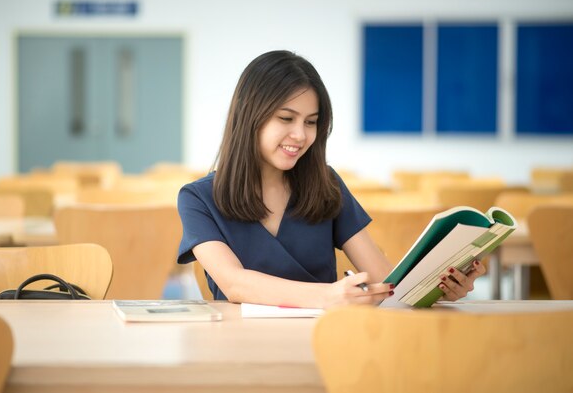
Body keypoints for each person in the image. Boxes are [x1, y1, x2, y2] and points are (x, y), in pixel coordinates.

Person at [177, 50, 486, 308]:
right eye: (286, 118)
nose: (300, 135)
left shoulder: (325, 185)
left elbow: (385, 281)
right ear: (249, 116)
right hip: (239, 351)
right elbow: (235, 285)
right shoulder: (198, 198)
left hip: (326, 344)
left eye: (311, 122)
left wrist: (439, 289)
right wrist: (330, 295)